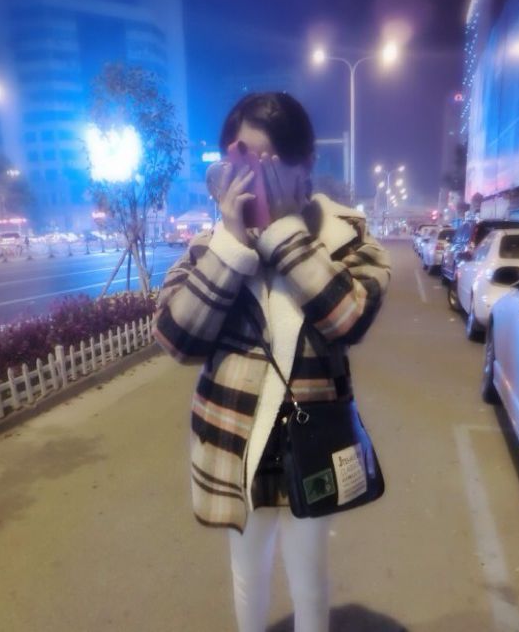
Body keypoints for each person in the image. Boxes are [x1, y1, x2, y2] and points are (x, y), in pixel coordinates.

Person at [154, 92, 391, 632]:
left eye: (268, 164)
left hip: (312, 440)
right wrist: (232, 246)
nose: (253, 180)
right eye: (241, 164)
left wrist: (285, 233)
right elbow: (176, 339)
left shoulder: (346, 238)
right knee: (248, 570)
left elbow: (349, 319)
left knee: (309, 573)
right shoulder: (208, 249)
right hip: (235, 440)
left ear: (305, 165)